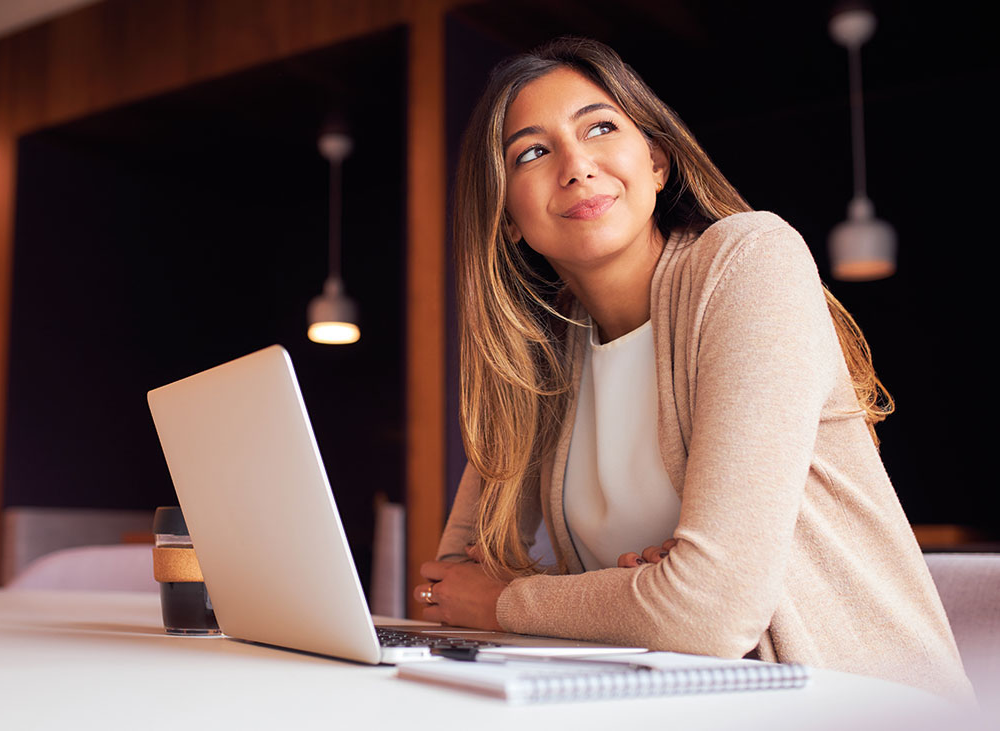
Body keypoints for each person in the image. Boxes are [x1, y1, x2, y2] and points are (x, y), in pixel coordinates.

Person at [413, 37, 971, 700]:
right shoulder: (545, 351)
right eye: (532, 152)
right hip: (681, 703)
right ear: (507, 215)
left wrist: (517, 599)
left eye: (599, 127)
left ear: (655, 161)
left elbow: (706, 612)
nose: (576, 165)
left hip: (856, 705)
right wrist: (638, 594)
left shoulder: (747, 262)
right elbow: (447, 587)